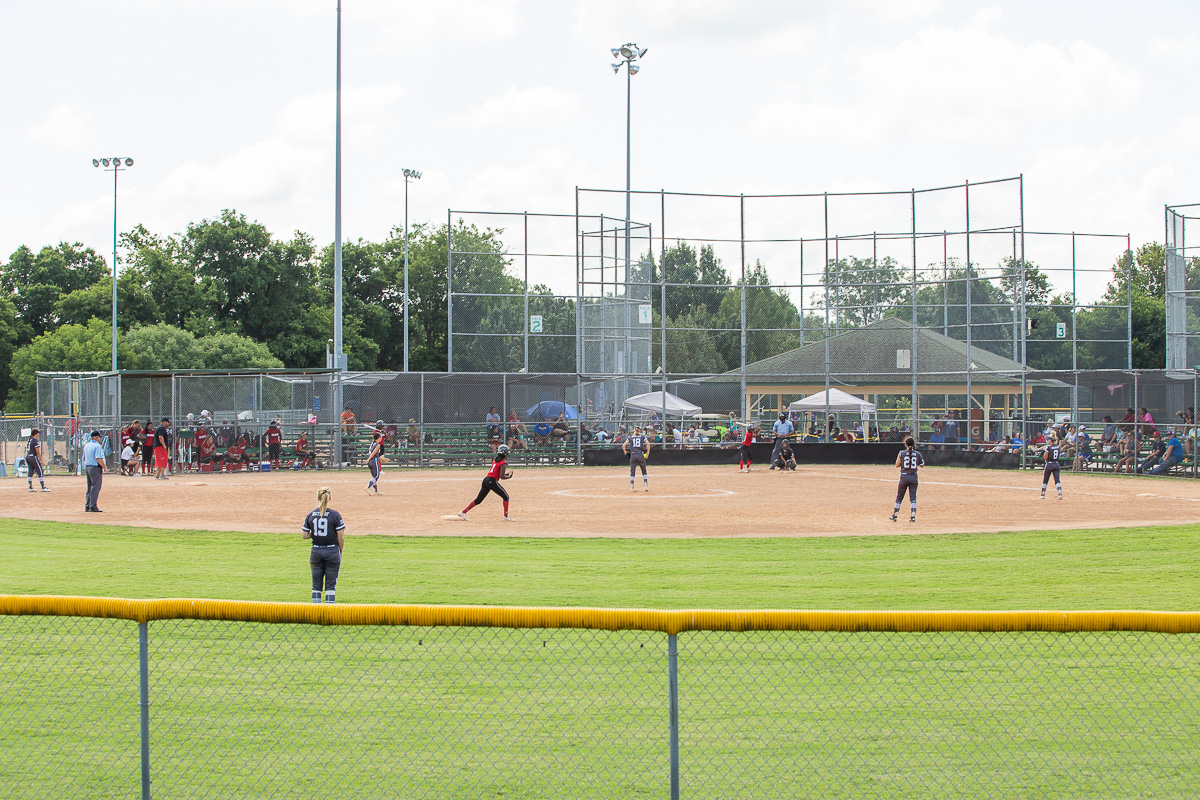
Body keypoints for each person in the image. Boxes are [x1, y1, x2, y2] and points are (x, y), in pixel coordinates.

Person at [302, 487, 345, 604]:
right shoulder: (335, 515)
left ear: (318, 498)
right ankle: (329, 613)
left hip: (316, 551)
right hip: (332, 551)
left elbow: (304, 535)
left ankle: (316, 613)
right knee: (330, 586)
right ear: (330, 498)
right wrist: (340, 551)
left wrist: (315, 533)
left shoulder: (310, 514)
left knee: (316, 585)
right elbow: (340, 536)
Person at [456, 443, 514, 521]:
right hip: (492, 481)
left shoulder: (496, 460)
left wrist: (505, 475)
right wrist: (509, 476)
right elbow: (502, 476)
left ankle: (463, 512)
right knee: (506, 497)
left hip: (486, 479)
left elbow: (498, 473)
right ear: (504, 453)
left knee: (478, 500)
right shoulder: (503, 463)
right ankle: (506, 517)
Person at [890, 436, 924, 522]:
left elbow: (897, 465)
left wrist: (903, 464)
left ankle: (895, 515)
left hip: (904, 476)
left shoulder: (901, 453)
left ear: (905, 444)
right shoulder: (917, 454)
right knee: (913, 497)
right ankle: (913, 516)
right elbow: (922, 465)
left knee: (899, 497)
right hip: (913, 476)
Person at [82, 429, 106, 512]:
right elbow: (99, 458)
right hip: (95, 467)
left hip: (88, 467)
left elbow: (84, 458)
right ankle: (93, 506)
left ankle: (87, 505)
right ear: (95, 437)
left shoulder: (87, 445)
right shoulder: (97, 446)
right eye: (99, 437)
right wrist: (104, 467)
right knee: (95, 487)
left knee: (89, 487)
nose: (99, 439)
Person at [624, 425, 650, 491]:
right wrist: (647, 453)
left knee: (632, 471)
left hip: (633, 455)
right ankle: (646, 486)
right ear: (640, 431)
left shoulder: (630, 437)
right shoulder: (642, 437)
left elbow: (623, 445)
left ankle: (632, 487)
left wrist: (625, 452)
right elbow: (648, 444)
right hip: (640, 455)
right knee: (644, 470)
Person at [24, 428, 49, 492]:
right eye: (37, 433)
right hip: (33, 457)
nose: (38, 435)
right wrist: (40, 459)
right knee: (40, 471)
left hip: (28, 457)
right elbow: (37, 451)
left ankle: (30, 487)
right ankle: (43, 487)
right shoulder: (35, 441)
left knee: (30, 472)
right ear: (35, 434)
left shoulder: (30, 440)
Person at [365, 427, 384, 495]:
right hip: (373, 460)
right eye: (380, 437)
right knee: (376, 476)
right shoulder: (377, 445)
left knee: (374, 476)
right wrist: (369, 459)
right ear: (378, 438)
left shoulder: (372, 444)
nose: (381, 438)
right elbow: (373, 453)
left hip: (371, 461)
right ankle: (368, 487)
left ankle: (376, 491)